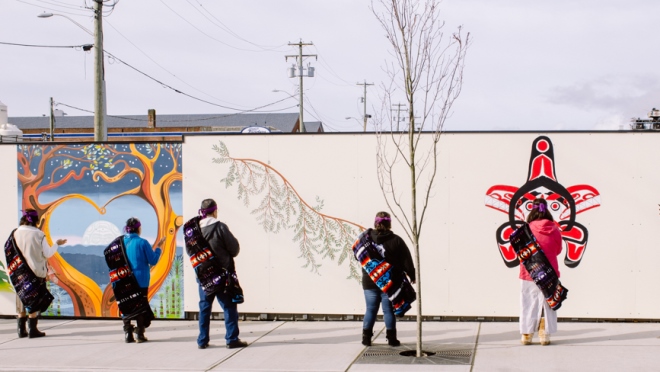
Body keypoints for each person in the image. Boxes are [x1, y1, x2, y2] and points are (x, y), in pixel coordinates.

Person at [196, 198, 247, 350]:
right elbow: (234, 249)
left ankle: (202, 340)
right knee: (229, 306)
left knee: (205, 308)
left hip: (204, 277)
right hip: (221, 276)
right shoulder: (220, 227)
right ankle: (231, 339)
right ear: (215, 211)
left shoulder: (195, 231)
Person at [360, 211, 415, 347]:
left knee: (370, 309)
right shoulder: (396, 240)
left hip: (369, 281)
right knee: (388, 311)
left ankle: (366, 338)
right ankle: (392, 339)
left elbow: (358, 254)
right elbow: (406, 259)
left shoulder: (365, 239)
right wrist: (411, 274)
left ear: (375, 222)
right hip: (389, 282)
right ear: (389, 223)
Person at [13, 209, 67, 338]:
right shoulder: (39, 234)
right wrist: (57, 244)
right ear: (36, 220)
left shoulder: (15, 233)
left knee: (21, 299)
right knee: (34, 300)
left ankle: (21, 330)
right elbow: (47, 253)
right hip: (35, 271)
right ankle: (33, 330)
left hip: (19, 272)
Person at [520, 198, 563, 346]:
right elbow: (558, 250)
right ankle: (544, 334)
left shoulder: (526, 229)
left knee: (528, 302)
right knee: (548, 302)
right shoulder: (555, 229)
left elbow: (520, 251)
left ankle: (526, 334)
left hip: (529, 272)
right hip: (550, 271)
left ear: (532, 210)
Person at [122, 217, 164, 343]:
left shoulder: (120, 242)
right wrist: (158, 248)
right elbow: (153, 260)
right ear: (138, 228)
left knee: (126, 305)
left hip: (123, 280)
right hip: (141, 280)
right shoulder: (142, 242)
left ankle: (128, 334)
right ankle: (140, 334)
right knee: (140, 307)